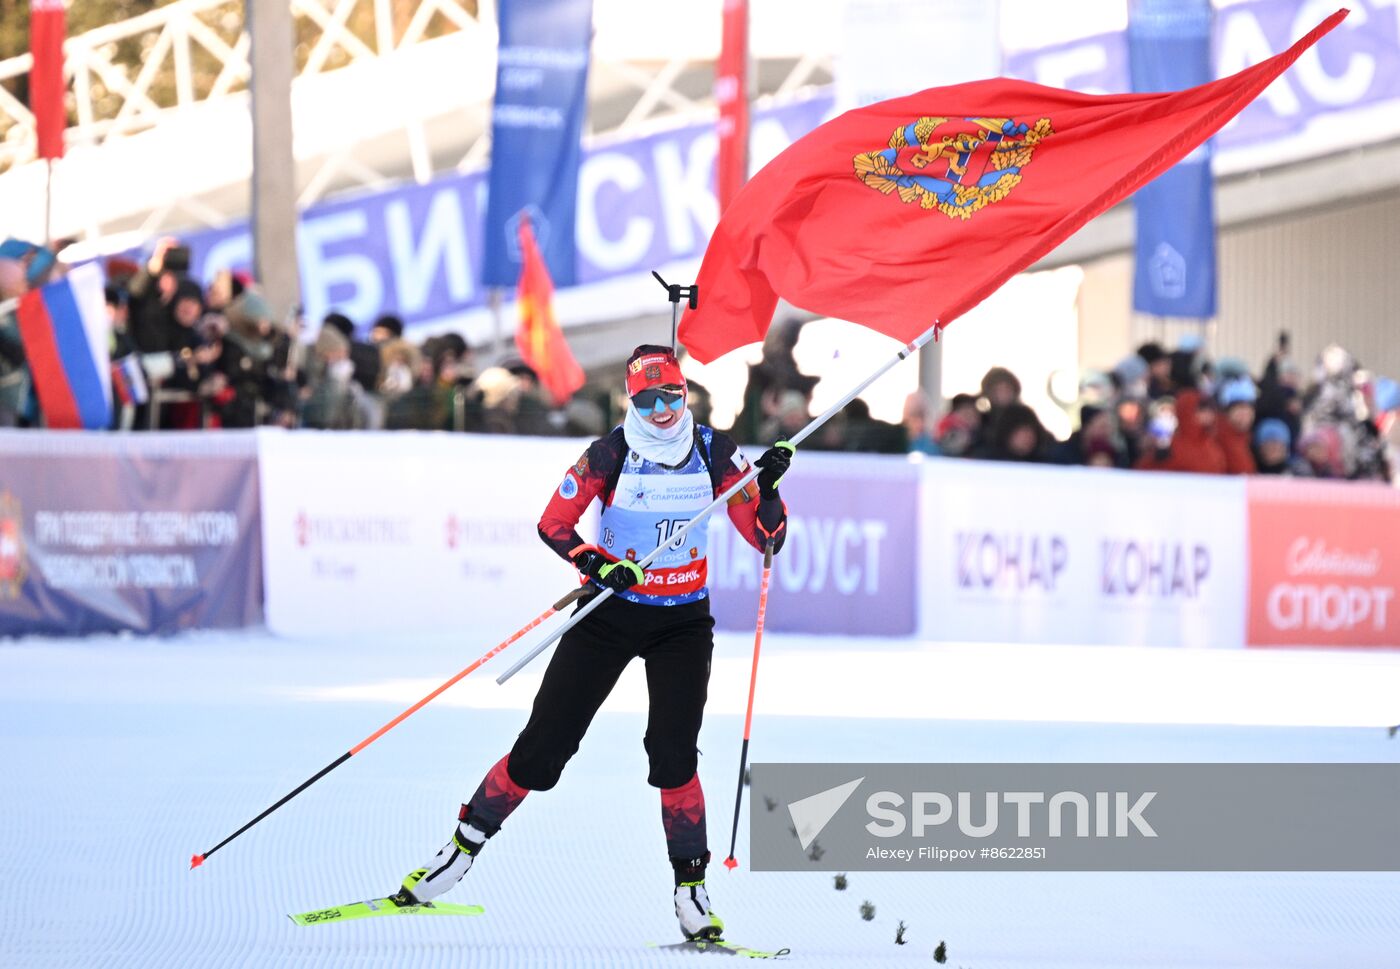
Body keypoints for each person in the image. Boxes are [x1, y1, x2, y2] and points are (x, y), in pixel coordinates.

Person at [393, 344, 793, 941]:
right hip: (610, 614)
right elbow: (554, 523)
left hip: (682, 622)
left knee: (674, 754)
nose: (660, 410)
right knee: (544, 749)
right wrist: (597, 564)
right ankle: (458, 850)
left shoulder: (715, 451)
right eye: (646, 399)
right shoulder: (611, 451)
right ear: (630, 401)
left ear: (686, 393)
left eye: (671, 396)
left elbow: (766, 538)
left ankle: (692, 893)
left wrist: (769, 489)